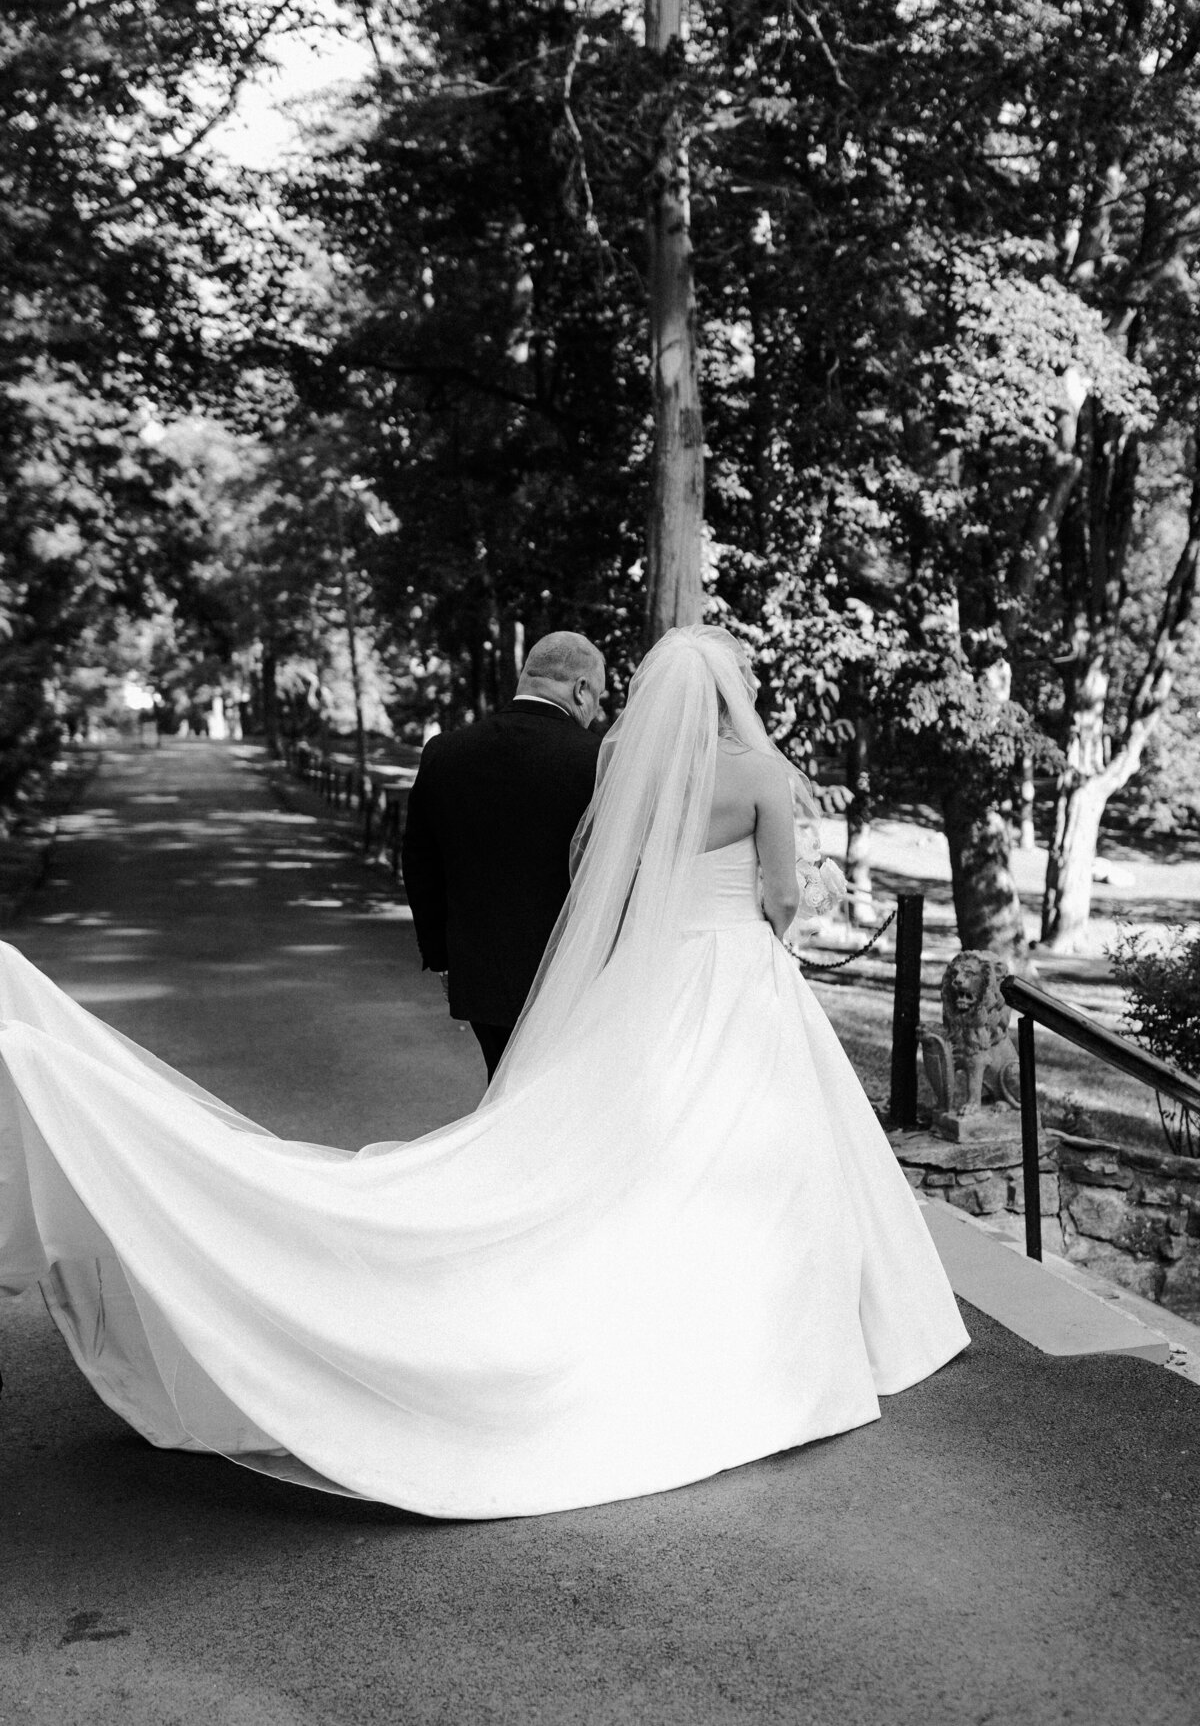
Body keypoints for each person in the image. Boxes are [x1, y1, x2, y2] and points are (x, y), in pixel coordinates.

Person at [0, 626, 968, 1520]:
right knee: (751, 1140)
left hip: (641, 971)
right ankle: (778, 1319)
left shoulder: (618, 762)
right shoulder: (755, 771)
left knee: (620, 1136)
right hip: (735, 971)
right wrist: (802, 907)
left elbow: (573, 869)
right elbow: (787, 895)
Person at [401, 631, 605, 1079]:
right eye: (598, 698)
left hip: (481, 976)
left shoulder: (446, 752)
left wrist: (443, 957)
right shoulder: (599, 761)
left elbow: (419, 861)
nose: (596, 714)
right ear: (581, 689)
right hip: (571, 975)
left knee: (503, 1095)